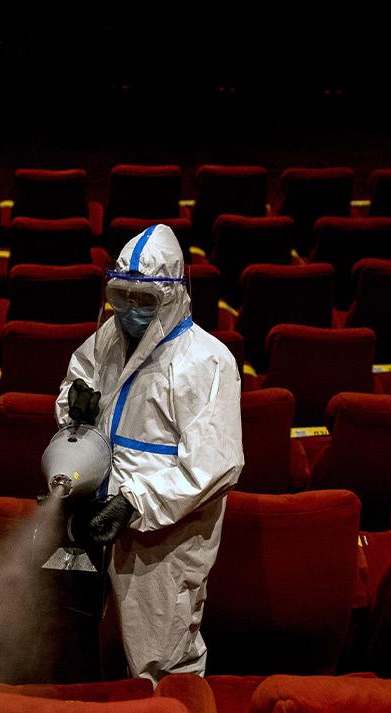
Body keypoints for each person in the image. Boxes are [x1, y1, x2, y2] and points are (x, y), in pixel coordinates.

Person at [56, 223, 243, 682]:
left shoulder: (205, 361)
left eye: (145, 301)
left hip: (165, 536)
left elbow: (214, 467)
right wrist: (73, 404)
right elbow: (75, 382)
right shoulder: (108, 339)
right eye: (122, 297)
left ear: (173, 295)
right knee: (94, 640)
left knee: (161, 656)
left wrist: (136, 502)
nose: (130, 311)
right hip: (101, 517)